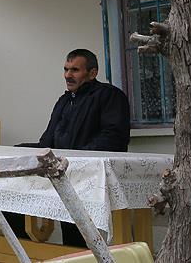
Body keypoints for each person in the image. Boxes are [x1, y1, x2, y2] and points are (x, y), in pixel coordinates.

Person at [12, 48, 131, 247]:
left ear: (92, 73)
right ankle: (21, 249)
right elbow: (47, 142)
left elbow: (114, 139)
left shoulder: (110, 96)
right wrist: (19, 150)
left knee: (78, 242)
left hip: (89, 177)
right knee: (13, 175)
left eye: (75, 70)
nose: (68, 75)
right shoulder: (64, 101)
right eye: (66, 69)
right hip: (64, 173)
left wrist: (75, 157)